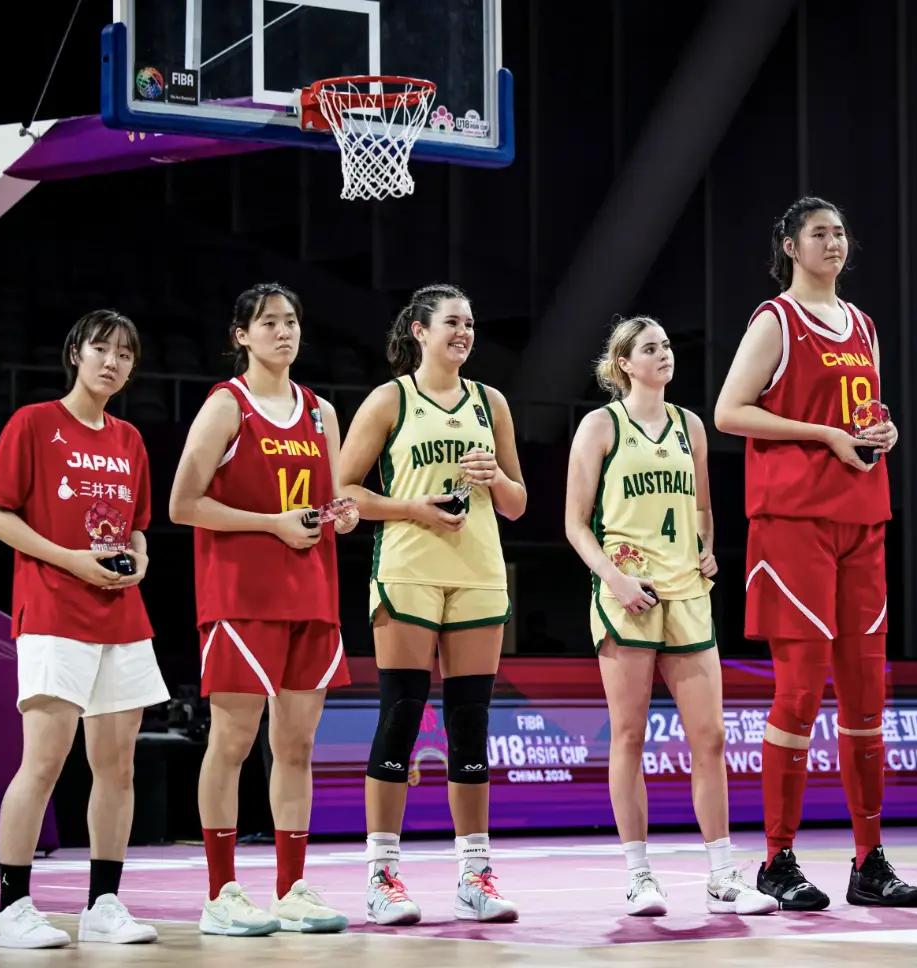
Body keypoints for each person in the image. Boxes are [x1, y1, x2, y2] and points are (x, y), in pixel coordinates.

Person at [714, 197, 917, 909]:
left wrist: (879, 431)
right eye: (818, 233)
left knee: (866, 697)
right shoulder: (776, 320)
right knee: (800, 691)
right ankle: (777, 859)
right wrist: (823, 435)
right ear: (790, 246)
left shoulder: (862, 323)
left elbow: (860, 413)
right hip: (793, 523)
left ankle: (870, 861)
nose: (834, 243)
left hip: (862, 520)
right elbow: (729, 411)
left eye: (839, 233)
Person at [564, 316, 776, 917]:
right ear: (624, 363)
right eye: (650, 348)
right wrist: (614, 579)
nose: (664, 354)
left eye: (666, 345)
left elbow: (703, 507)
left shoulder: (690, 426)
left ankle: (722, 876)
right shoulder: (600, 425)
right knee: (628, 735)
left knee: (710, 738)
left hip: (688, 594)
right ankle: (639, 875)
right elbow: (575, 523)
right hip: (627, 592)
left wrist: (707, 546)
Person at [169, 282, 357, 937]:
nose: (284, 332)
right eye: (269, 322)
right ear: (241, 335)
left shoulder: (321, 412)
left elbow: (332, 499)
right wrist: (271, 524)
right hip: (242, 598)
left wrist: (343, 513)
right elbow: (183, 505)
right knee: (232, 741)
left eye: (292, 321)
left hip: (311, 595)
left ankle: (291, 888)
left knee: (297, 746)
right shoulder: (227, 406)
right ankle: (220, 892)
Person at [338, 283, 527, 925]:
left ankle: (475, 874)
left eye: (470, 323)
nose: (464, 332)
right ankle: (382, 875)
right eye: (452, 322)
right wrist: (412, 508)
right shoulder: (390, 399)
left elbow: (517, 503)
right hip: (409, 570)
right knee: (401, 715)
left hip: (478, 573)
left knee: (471, 723)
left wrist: (495, 479)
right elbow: (344, 491)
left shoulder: (491, 402)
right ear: (420, 331)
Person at [0, 310, 167, 948]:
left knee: (117, 768)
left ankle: (103, 905)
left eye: (125, 354)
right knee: (44, 762)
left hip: (123, 617)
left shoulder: (130, 439)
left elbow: (137, 525)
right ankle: (11, 909)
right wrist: (69, 560)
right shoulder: (34, 423)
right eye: (101, 349)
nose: (112, 362)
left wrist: (139, 556)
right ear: (75, 354)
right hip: (54, 611)